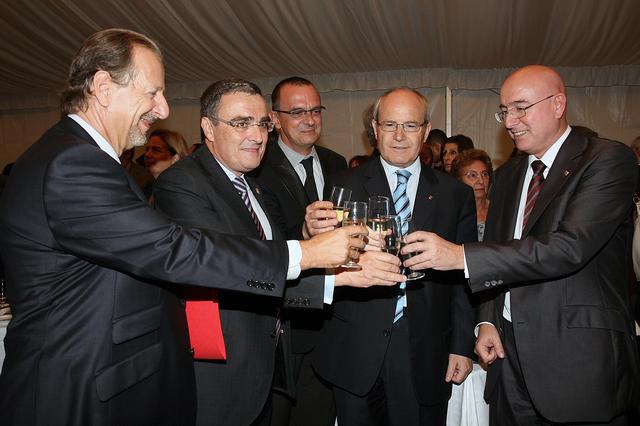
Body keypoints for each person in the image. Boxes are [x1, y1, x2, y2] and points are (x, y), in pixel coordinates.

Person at [0, 29, 365, 426]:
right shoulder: (73, 163)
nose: (162, 108)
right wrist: (306, 253)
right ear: (103, 87)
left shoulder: (81, 157)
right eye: (153, 92)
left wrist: (325, 270)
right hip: (77, 390)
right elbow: (175, 250)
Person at [152, 78, 403, 426]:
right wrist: (325, 267)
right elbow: (232, 269)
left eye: (261, 124)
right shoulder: (182, 183)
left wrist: (320, 251)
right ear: (207, 128)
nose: (257, 135)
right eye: (241, 123)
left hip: (270, 365)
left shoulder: (250, 184)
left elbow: (276, 261)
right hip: (220, 372)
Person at [404, 65, 640, 425]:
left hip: (577, 359)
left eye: (520, 108)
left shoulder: (606, 159)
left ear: (558, 104)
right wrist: (487, 320)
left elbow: (568, 248)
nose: (510, 121)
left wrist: (459, 255)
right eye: (504, 111)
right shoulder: (509, 174)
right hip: (508, 361)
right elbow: (499, 251)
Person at [311, 87, 477, 425]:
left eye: (410, 126)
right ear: (375, 128)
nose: (399, 136)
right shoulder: (342, 185)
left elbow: (465, 277)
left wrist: (462, 346)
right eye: (389, 125)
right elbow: (324, 259)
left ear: (426, 131)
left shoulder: (455, 194)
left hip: (425, 350)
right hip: (355, 347)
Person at [251, 76, 349, 426]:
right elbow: (263, 246)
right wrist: (304, 234)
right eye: (297, 112)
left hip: (334, 321)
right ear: (275, 119)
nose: (309, 119)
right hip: (285, 326)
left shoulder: (337, 163)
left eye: (315, 110)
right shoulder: (258, 168)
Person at [452, 149, 493, 241]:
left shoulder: (499, 211)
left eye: (484, 174)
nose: (481, 181)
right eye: (473, 175)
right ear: (459, 180)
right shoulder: (451, 213)